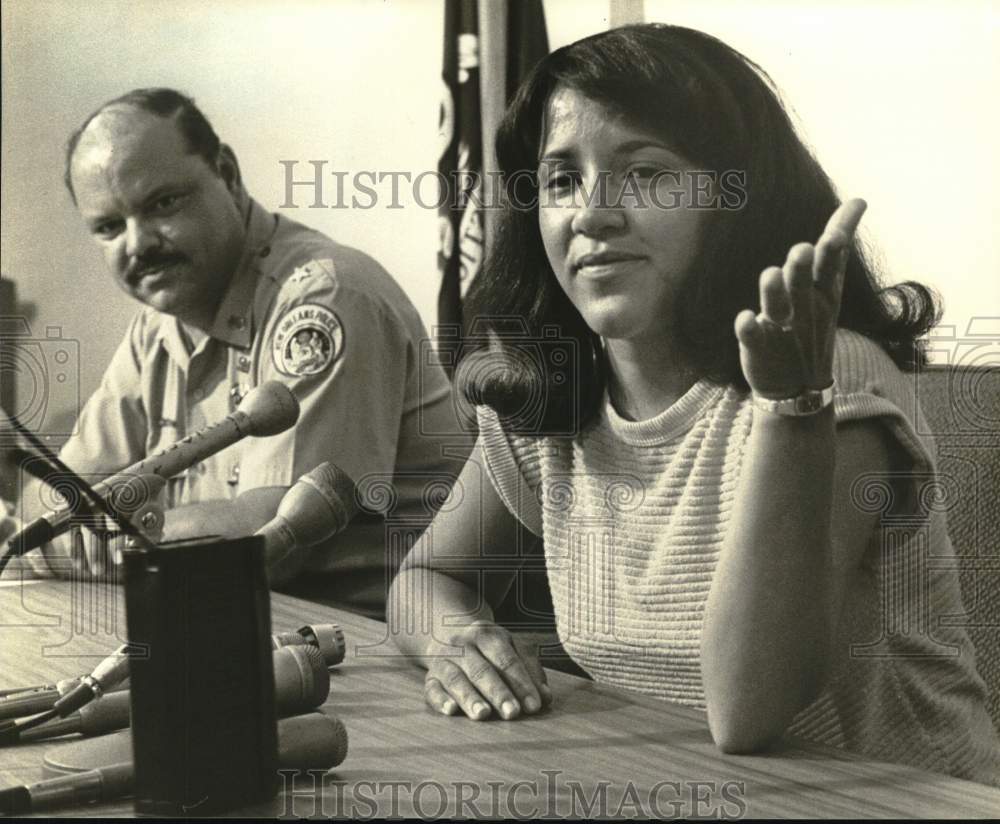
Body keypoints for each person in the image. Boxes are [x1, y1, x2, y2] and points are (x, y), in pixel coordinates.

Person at [388, 24, 1000, 783]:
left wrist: (790, 408)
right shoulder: (546, 392)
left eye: (644, 173)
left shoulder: (821, 374)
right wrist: (456, 640)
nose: (591, 214)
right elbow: (421, 582)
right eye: (560, 180)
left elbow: (749, 711)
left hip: (896, 803)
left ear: (735, 201)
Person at [1, 88, 465, 618]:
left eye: (163, 204)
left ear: (227, 171)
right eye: (109, 227)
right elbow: (61, 501)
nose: (139, 243)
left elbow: (269, 538)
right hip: (238, 621)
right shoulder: (157, 326)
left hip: (384, 645)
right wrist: (73, 528)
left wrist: (108, 540)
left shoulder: (325, 297)